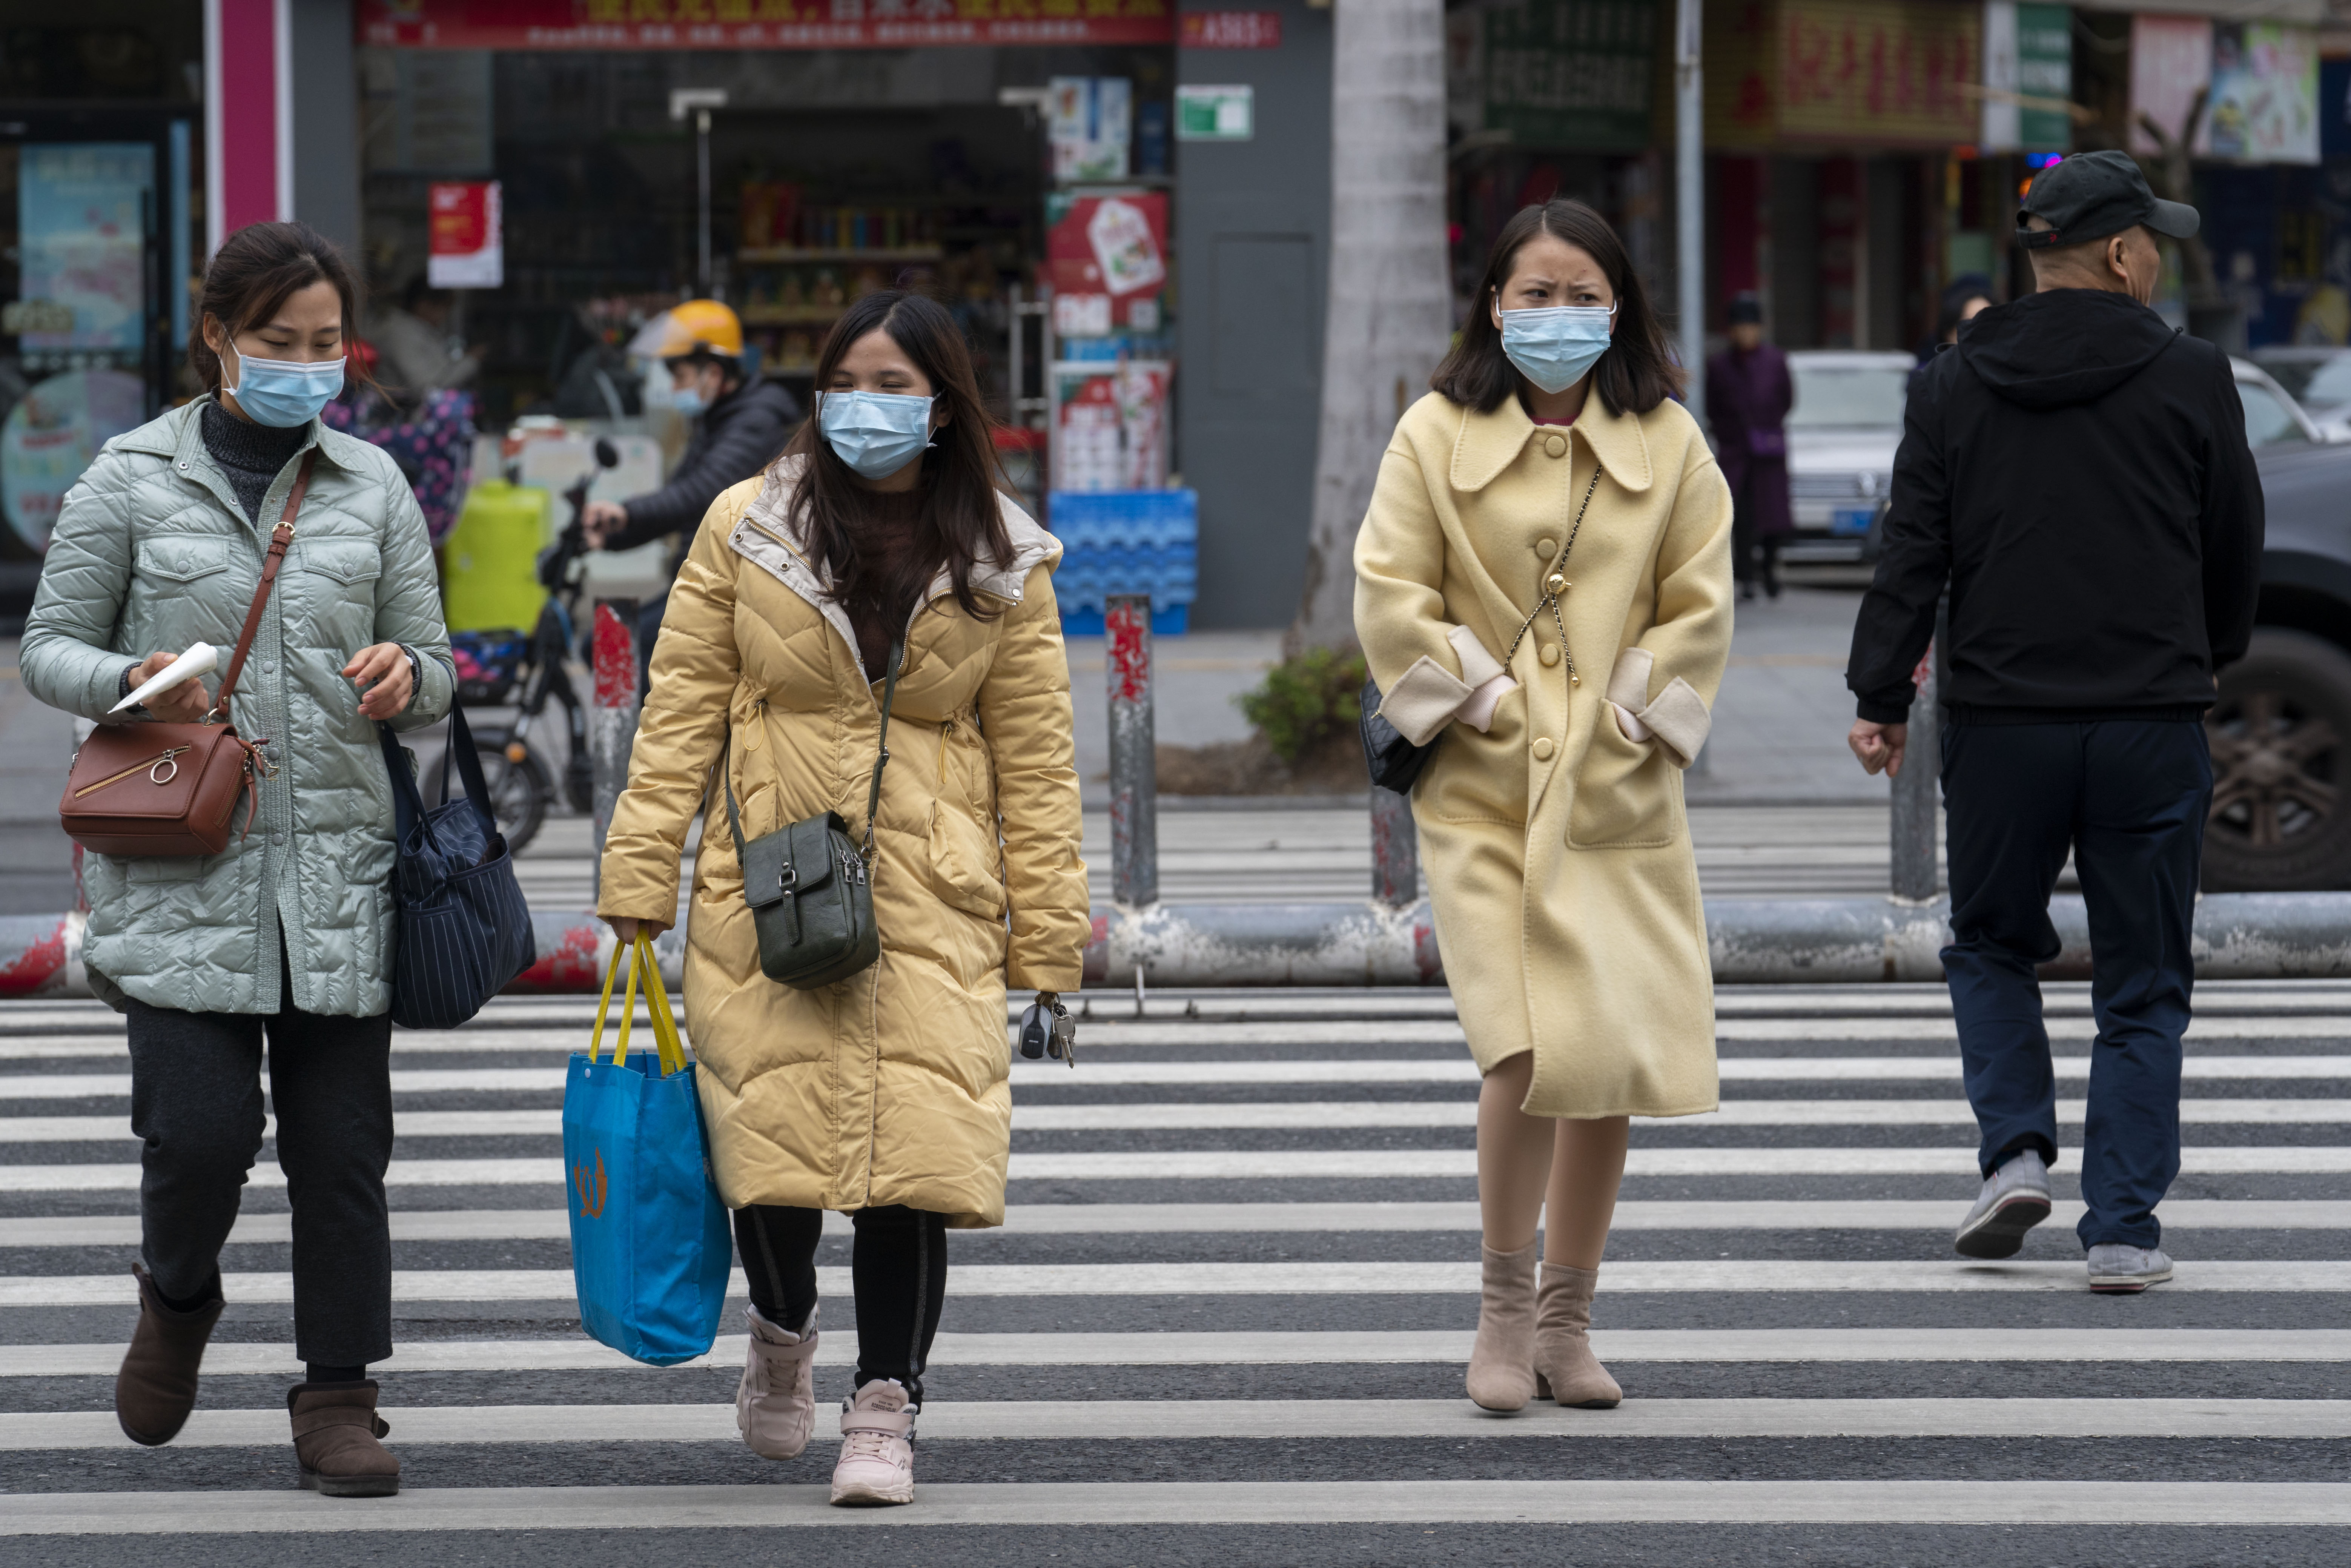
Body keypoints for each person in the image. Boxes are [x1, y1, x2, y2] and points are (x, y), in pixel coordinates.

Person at [595, 289, 1089, 1506]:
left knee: (911, 1158)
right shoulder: (745, 525)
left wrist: (1052, 938)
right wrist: (640, 873)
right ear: (821, 396)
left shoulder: (1001, 552)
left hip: (933, 887)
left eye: (897, 383)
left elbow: (1036, 753)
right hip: (768, 877)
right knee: (766, 1140)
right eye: (851, 380)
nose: (871, 404)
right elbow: (681, 709)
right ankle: (781, 1324)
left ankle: (885, 1405)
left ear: (943, 406)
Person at [20, 220, 455, 1494]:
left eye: (327, 345)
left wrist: (404, 675)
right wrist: (130, 680)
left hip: (339, 874)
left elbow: (432, 664)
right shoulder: (129, 475)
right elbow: (51, 645)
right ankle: (177, 1291)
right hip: (177, 865)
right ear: (218, 336)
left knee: (341, 1153)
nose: (307, 366)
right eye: (279, 343)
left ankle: (338, 1396)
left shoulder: (372, 483)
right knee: (197, 1136)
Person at [1845, 150, 2263, 1293]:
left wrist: (1879, 695)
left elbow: (1909, 551)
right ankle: (2121, 1225)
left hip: (1999, 718)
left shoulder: (1949, 381)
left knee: (1987, 941)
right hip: (2146, 718)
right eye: (2154, 247)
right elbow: (2232, 545)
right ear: (2124, 254)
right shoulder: (2192, 374)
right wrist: (2206, 657)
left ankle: (2015, 1150)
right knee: (2140, 976)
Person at [1354, 199, 1734, 1413]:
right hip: (1479, 789)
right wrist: (1481, 701)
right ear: (1491, 302)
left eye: (1580, 294)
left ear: (1616, 305)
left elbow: (1698, 599)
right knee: (1520, 1046)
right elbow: (1388, 589)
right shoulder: (1431, 431)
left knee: (1604, 1054)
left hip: (1615, 794)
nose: (1554, 314)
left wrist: (1630, 715)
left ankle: (1569, 1318)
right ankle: (1503, 1307)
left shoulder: (1667, 438)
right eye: (1533, 292)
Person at [584, 299, 802, 680]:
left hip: (737, 595)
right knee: (608, 638)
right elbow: (681, 499)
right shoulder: (717, 420)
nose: (674, 388)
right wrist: (616, 533)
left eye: (681, 376)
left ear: (713, 373)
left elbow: (703, 492)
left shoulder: (754, 421)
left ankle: (642, 741)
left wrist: (628, 513)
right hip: (706, 583)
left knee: (616, 642)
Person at [1704, 293, 1794, 600]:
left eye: (1751, 327)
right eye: (1740, 327)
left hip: (1768, 450)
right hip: (1735, 451)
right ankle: (1745, 577)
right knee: (1738, 516)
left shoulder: (1775, 360)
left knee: (1772, 516)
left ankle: (1769, 570)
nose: (1745, 333)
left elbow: (1786, 399)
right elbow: (1712, 406)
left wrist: (1766, 427)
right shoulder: (1718, 365)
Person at [365, 276, 482, 399]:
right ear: (424, 305)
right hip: (402, 412)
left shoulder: (417, 330)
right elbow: (426, 388)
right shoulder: (401, 333)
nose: (445, 315)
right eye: (444, 308)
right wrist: (471, 361)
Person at [1909, 274, 1995, 397]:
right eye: (1971, 321)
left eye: (1988, 321)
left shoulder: (2008, 376)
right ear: (1949, 332)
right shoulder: (1929, 380)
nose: (1981, 330)